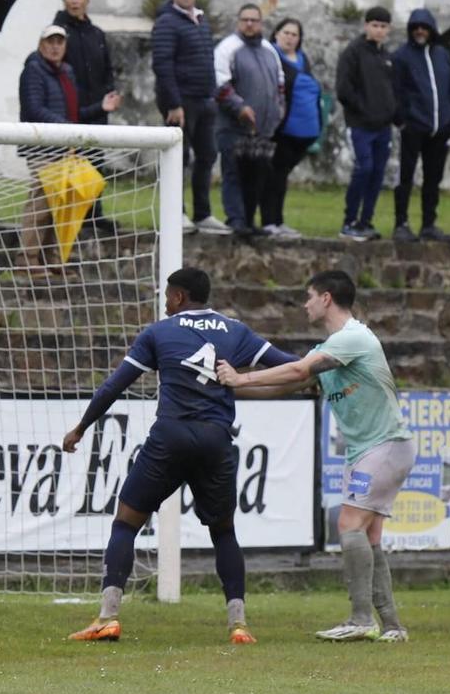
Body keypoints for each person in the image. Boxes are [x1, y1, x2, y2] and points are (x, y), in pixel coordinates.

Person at [61, 266, 297, 644]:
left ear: (179, 297)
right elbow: (290, 366)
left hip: (170, 438)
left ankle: (107, 617)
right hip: (215, 441)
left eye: (167, 295)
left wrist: (80, 428)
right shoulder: (237, 331)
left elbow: (114, 386)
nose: (165, 302)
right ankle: (239, 625)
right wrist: (318, 373)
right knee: (223, 532)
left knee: (125, 523)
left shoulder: (159, 332)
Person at [221, 269, 414, 642]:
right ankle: (392, 626)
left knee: (349, 525)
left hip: (385, 446)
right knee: (369, 535)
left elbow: (296, 368)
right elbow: (291, 383)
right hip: (373, 449)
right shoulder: (331, 349)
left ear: (326, 298)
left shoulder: (352, 337)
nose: (305, 304)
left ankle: (360, 620)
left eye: (309, 296)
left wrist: (240, 378)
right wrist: (228, 392)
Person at [18, 24, 102, 272]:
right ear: (41, 44)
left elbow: (72, 113)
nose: (55, 47)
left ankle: (54, 260)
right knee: (40, 206)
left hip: (64, 149)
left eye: (60, 42)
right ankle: (28, 260)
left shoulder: (66, 72)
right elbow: (34, 109)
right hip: (42, 148)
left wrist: (101, 108)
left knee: (63, 207)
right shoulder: (33, 71)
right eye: (50, 42)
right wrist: (67, 128)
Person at [152, 0, 225, 234]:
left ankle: (203, 213)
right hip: (181, 102)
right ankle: (176, 213)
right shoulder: (166, 23)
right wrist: (173, 103)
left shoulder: (201, 21)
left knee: (207, 155)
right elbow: (162, 64)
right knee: (177, 159)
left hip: (205, 100)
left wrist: (213, 95)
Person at [211, 3, 281, 241]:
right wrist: (239, 107)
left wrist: (278, 111)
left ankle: (250, 221)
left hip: (262, 128)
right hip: (232, 126)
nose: (249, 24)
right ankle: (236, 219)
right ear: (238, 21)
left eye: (254, 20)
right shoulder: (227, 48)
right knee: (233, 172)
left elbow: (279, 85)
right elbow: (220, 85)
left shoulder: (269, 50)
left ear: (261, 23)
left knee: (256, 176)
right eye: (245, 20)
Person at [56, 0, 120, 233]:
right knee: (71, 167)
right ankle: (73, 219)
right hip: (71, 112)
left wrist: (110, 95)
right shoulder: (58, 33)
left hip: (98, 110)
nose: (75, 1)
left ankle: (95, 215)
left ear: (87, 0)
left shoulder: (96, 34)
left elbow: (107, 69)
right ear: (64, 1)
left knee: (95, 164)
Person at [390, 9, 450, 243]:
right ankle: (401, 222)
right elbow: (396, 91)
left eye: (424, 27)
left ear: (432, 30)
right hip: (413, 127)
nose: (420, 31)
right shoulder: (401, 56)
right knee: (405, 176)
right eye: (416, 27)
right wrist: (402, 120)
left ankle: (429, 223)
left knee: (433, 178)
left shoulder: (443, 55)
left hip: (439, 128)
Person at [334, 7, 398, 241]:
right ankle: (349, 220)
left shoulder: (387, 57)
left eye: (383, 26)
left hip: (383, 127)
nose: (379, 30)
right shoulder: (353, 52)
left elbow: (393, 90)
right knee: (364, 169)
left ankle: (365, 221)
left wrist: (392, 112)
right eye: (375, 25)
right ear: (366, 26)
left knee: (378, 173)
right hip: (361, 125)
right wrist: (364, 109)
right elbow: (344, 89)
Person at [264, 17, 319, 241]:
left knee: (282, 175)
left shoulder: (303, 59)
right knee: (273, 176)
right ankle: (269, 221)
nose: (290, 38)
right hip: (282, 129)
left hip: (304, 131)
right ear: (276, 34)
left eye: (294, 34)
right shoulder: (271, 56)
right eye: (286, 33)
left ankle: (278, 220)